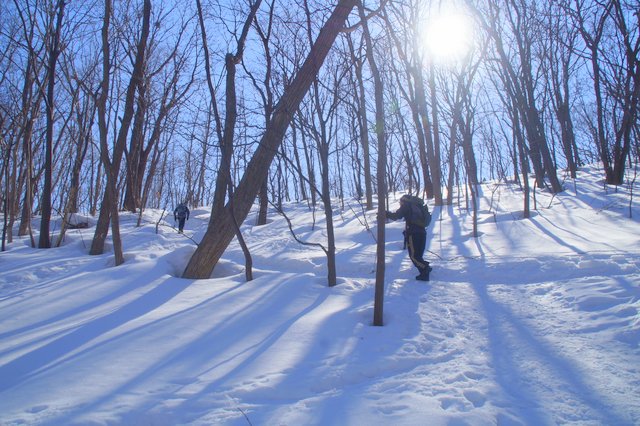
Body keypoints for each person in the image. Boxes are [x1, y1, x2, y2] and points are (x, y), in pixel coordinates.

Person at [386, 194, 432, 281]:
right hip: (422, 233)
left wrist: (386, 214)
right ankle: (424, 271)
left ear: (404, 200)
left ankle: (425, 269)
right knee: (418, 255)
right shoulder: (418, 206)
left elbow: (397, 216)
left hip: (413, 234)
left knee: (414, 256)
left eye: (400, 202)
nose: (400, 204)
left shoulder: (406, 205)